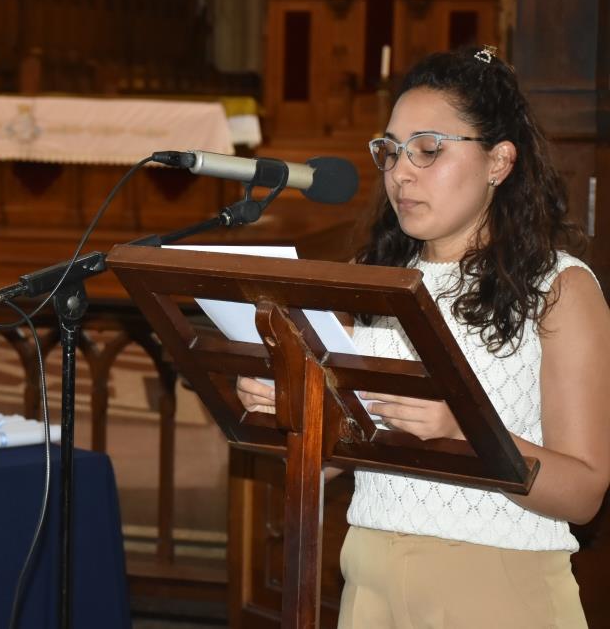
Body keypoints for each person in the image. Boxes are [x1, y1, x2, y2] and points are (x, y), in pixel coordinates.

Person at [236, 45, 610, 628]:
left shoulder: (558, 288)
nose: (400, 171)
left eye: (428, 150)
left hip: (497, 589)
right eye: (390, 151)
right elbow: (329, 461)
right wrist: (292, 410)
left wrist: (465, 431)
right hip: (367, 581)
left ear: (499, 161)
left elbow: (585, 492)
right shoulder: (371, 281)